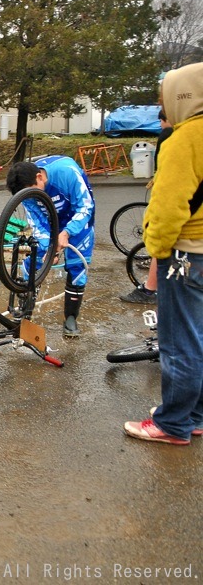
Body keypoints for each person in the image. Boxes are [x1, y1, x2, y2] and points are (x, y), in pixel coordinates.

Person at [124, 62, 203, 445]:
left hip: (187, 252)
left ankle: (172, 424)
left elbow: (169, 206)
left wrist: (157, 250)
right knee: (200, 334)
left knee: (179, 340)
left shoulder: (186, 139)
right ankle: (196, 414)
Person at [5, 155, 95, 338]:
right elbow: (37, 222)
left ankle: (70, 317)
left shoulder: (67, 172)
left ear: (39, 177)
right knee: (36, 261)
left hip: (76, 218)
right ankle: (26, 310)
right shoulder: (26, 190)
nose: (30, 198)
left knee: (77, 266)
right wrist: (49, 247)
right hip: (49, 221)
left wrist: (67, 232)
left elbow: (85, 206)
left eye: (33, 191)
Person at [119, 113, 174, 305]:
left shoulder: (170, 134)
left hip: (168, 196)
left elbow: (166, 168)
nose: (160, 124)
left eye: (161, 120)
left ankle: (150, 289)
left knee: (161, 242)